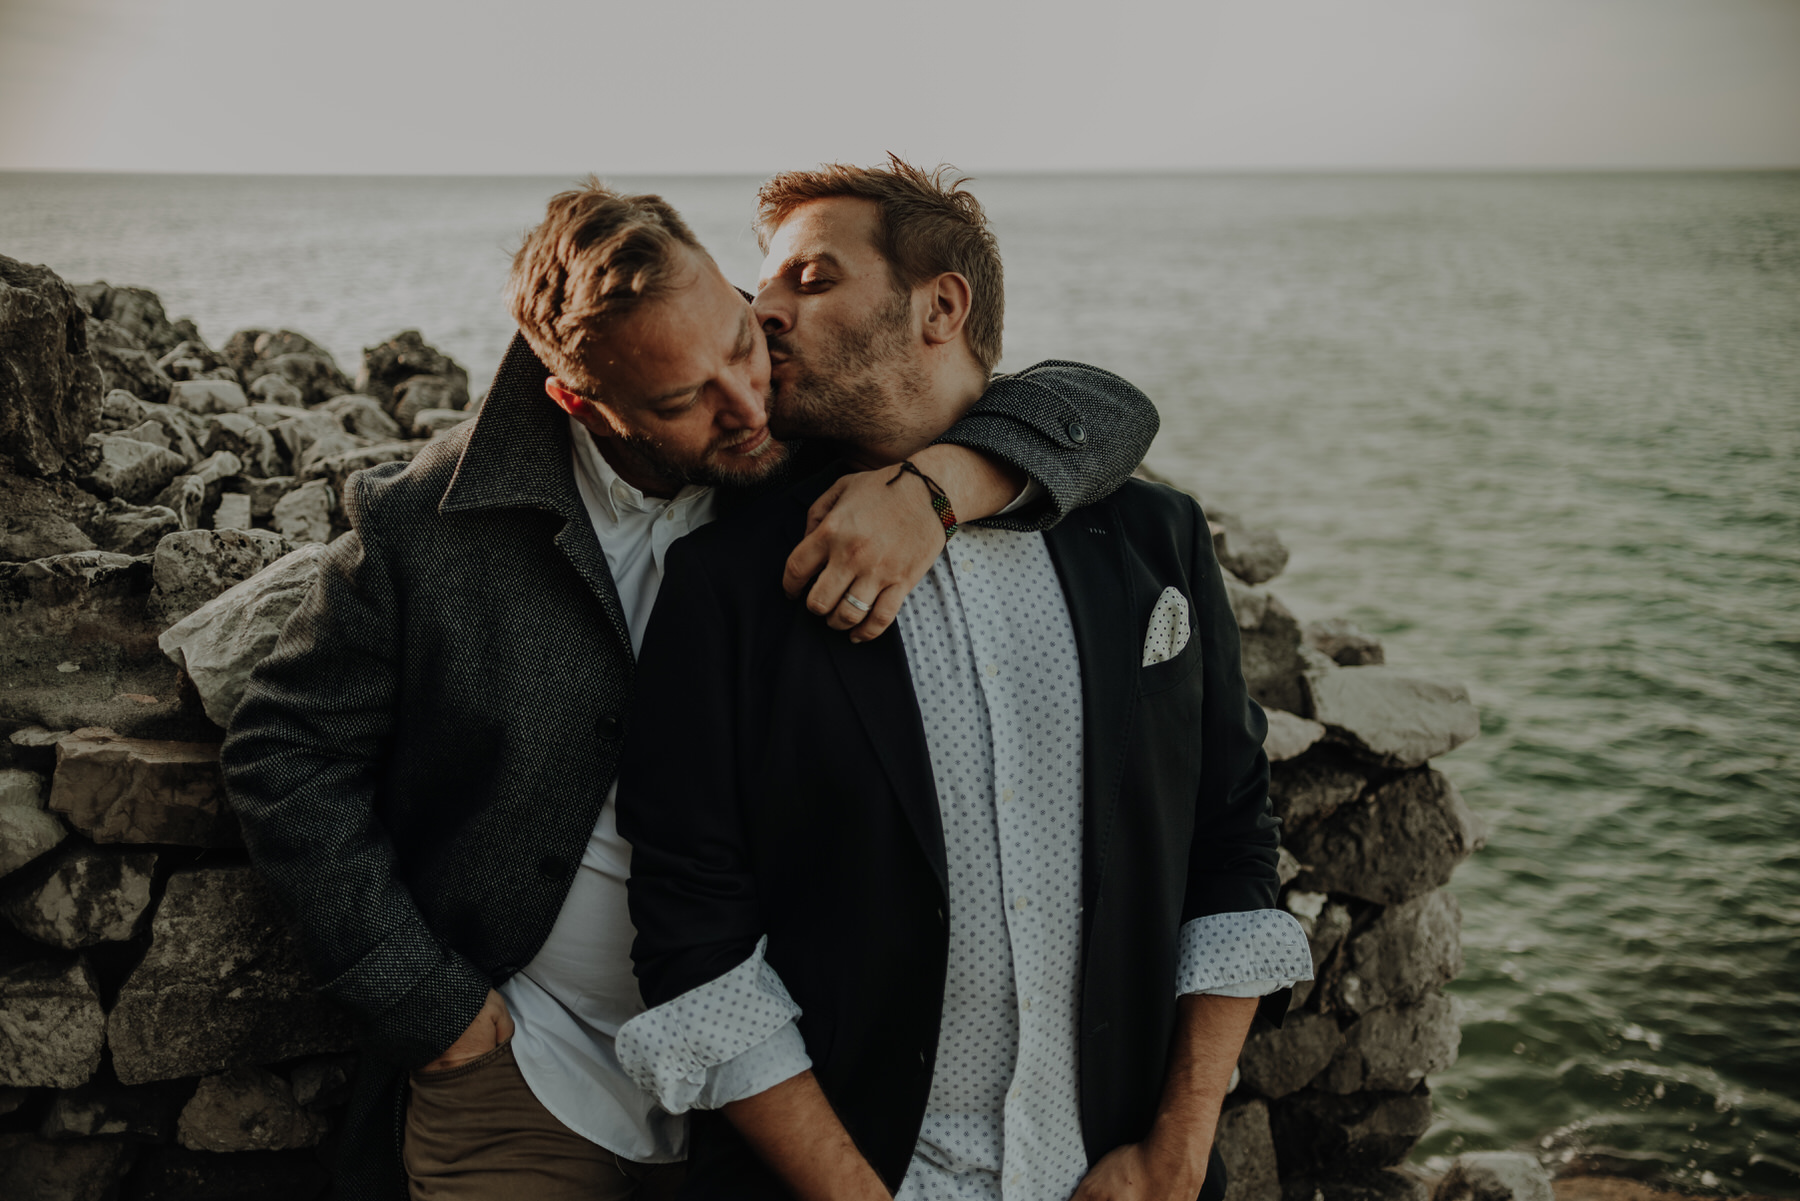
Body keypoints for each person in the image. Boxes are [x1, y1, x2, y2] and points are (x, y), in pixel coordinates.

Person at [219, 172, 1162, 1201]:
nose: (750, 406)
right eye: (684, 400)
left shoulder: (811, 443)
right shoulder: (434, 529)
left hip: (793, 1076)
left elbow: (1094, 407)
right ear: (582, 401)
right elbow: (285, 752)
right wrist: (432, 1009)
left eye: (745, 344)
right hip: (533, 1071)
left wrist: (942, 490)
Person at [612, 159, 1314, 1201]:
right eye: (762, 289)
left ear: (941, 305)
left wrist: (1176, 1154)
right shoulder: (727, 581)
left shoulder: (1152, 537)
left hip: (1120, 1175)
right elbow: (695, 935)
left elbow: (1232, 837)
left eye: (811, 278)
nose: (766, 314)